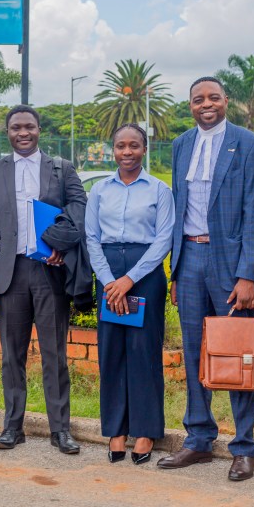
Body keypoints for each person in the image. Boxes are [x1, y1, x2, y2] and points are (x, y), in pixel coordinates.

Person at [158, 76, 254, 481]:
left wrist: (248, 275)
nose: (206, 104)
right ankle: (199, 440)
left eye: (213, 97)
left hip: (230, 265)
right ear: (190, 105)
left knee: (240, 356)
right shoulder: (181, 144)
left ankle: (244, 447)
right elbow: (178, 205)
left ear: (226, 100)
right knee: (193, 352)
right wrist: (175, 270)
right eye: (197, 99)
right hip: (189, 259)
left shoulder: (250, 145)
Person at [0, 106, 87, 455]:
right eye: (15, 128)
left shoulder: (61, 168)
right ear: (7, 132)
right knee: (12, 357)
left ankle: (60, 430)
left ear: (40, 129)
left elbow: (80, 208)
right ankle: (13, 427)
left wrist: (59, 244)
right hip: (10, 274)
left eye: (29, 127)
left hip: (49, 271)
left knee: (55, 354)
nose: (23, 133)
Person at [86, 124, 174, 465]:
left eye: (134, 146)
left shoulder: (159, 190)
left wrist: (129, 279)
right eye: (121, 146)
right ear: (113, 150)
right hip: (107, 273)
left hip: (146, 274)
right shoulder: (100, 191)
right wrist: (110, 281)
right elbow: (92, 237)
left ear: (144, 149)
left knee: (143, 352)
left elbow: (164, 239)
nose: (127, 152)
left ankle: (146, 429)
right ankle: (116, 430)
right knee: (112, 352)